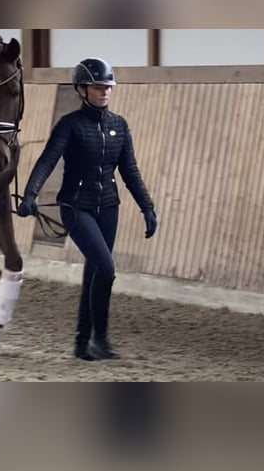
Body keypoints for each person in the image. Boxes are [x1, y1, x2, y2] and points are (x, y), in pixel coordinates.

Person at [17, 58, 159, 361]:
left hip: (109, 207)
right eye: (98, 87)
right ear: (82, 90)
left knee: (95, 271)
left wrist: (147, 206)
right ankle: (98, 338)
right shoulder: (70, 125)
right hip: (76, 207)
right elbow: (47, 160)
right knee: (107, 268)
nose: (105, 92)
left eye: (107, 87)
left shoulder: (119, 126)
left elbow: (129, 171)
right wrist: (30, 195)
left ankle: (87, 344)